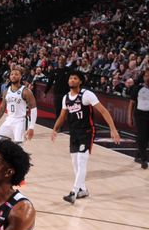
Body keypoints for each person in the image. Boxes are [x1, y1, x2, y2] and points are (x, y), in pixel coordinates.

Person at [50, 70, 121, 203]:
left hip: (87, 132)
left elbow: (103, 111)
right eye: (70, 78)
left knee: (82, 161)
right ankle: (83, 190)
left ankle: (74, 192)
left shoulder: (87, 95)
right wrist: (55, 129)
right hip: (74, 132)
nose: (72, 80)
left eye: (75, 78)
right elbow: (62, 115)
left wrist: (113, 129)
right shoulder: (66, 98)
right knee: (75, 163)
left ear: (80, 81)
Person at [0, 67, 37, 146]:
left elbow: (33, 109)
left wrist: (31, 127)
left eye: (16, 74)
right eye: (12, 74)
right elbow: (2, 108)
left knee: (18, 149)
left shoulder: (26, 91)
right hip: (9, 120)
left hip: (20, 121)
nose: (13, 76)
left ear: (20, 77)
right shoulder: (6, 91)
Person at [128, 69, 149, 169]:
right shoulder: (138, 88)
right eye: (146, 76)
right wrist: (129, 117)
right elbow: (131, 103)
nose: (147, 78)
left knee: (146, 137)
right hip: (140, 115)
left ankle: (138, 155)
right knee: (142, 137)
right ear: (143, 77)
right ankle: (144, 160)